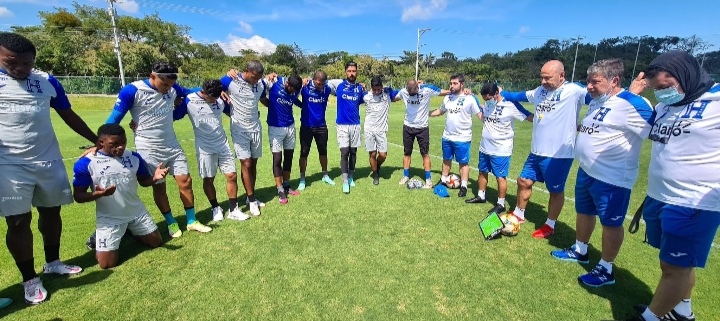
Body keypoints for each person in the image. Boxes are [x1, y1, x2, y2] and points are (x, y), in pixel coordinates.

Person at [0, 32, 97, 304]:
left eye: (27, 64)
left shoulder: (45, 80)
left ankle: (53, 262)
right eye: (12, 62)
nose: (20, 69)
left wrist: (95, 140)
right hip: (8, 165)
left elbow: (67, 114)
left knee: (52, 211)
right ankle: (30, 279)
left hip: (48, 159)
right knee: (18, 221)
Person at [624, 51, 720, 321]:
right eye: (656, 90)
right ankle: (682, 310)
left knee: (673, 267)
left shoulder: (716, 99)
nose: (661, 94)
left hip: (694, 202)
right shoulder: (665, 106)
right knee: (675, 263)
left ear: (684, 75)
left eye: (664, 87)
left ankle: (652, 318)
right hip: (660, 196)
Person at [548, 59, 653, 288]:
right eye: (588, 81)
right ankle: (580, 249)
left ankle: (606, 268)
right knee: (583, 211)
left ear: (614, 81)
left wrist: (633, 94)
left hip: (612, 179)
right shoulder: (599, 100)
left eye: (595, 82)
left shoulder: (634, 104)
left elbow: (659, 133)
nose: (589, 87)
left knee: (610, 224)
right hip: (587, 171)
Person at [106, 62, 213, 237]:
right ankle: (171, 222)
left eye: (171, 85)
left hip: (172, 144)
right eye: (164, 84)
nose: (168, 89)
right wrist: (100, 144)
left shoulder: (172, 88)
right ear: (152, 76)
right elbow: (114, 119)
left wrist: (221, 87)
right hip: (149, 147)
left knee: (185, 181)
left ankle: (192, 221)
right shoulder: (132, 91)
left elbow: (190, 91)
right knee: (159, 186)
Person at [501, 60, 589, 238]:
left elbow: (600, 97)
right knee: (523, 181)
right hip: (536, 152)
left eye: (547, 78)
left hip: (559, 154)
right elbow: (518, 96)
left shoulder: (574, 91)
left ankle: (550, 224)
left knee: (555, 190)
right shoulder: (539, 91)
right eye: (541, 77)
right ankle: (519, 214)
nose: (543, 82)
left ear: (562, 75)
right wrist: (502, 92)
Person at [72, 124, 167, 269]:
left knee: (156, 242)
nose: (121, 147)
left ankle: (129, 229)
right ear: (101, 142)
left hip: (136, 212)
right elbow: (78, 196)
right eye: (114, 144)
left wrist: (154, 178)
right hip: (110, 218)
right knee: (107, 264)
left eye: (123, 142)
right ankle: (98, 237)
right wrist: (97, 194)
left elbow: (143, 181)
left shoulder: (133, 157)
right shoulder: (86, 163)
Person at [173, 79, 250, 221]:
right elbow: (174, 115)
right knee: (209, 179)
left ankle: (234, 209)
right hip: (204, 147)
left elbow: (231, 110)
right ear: (203, 92)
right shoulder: (189, 100)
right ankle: (216, 208)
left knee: (232, 176)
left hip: (223, 144)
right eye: (212, 98)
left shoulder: (219, 99)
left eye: (217, 98)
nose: (215, 101)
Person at [465, 83, 533, 216]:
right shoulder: (489, 103)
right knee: (482, 171)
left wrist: (548, 119)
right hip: (485, 147)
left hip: (501, 149)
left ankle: (500, 204)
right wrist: (472, 95)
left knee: (500, 177)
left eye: (489, 98)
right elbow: (482, 108)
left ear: (496, 94)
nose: (487, 101)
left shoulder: (511, 105)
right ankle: (481, 196)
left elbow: (529, 117)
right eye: (485, 99)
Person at [221, 60, 270, 216]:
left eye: (259, 78)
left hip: (255, 127)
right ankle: (251, 199)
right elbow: (210, 89)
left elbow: (264, 100)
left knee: (253, 163)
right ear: (247, 70)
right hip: (239, 129)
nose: (256, 80)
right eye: (254, 77)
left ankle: (251, 198)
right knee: (246, 163)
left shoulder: (260, 84)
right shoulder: (230, 80)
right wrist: (225, 104)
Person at [429, 73, 482, 197]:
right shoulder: (447, 98)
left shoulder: (469, 99)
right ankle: (443, 180)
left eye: (455, 83)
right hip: (447, 136)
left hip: (462, 138)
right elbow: (440, 111)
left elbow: (479, 114)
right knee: (446, 159)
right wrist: (426, 113)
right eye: (451, 83)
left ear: (462, 84)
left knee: (463, 162)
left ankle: (463, 186)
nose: (452, 86)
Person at [392, 80, 449, 188]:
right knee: (407, 153)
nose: (412, 95)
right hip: (408, 127)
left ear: (418, 87)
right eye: (410, 94)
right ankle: (406, 176)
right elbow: (393, 98)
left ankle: (428, 179)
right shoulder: (403, 91)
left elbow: (444, 92)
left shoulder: (427, 89)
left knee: (425, 154)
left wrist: (462, 91)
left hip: (422, 128)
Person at [328, 62, 367, 194]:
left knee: (353, 152)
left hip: (355, 124)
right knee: (344, 152)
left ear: (357, 72)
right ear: (345, 72)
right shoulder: (339, 85)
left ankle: (350, 177)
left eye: (354, 71)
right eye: (349, 71)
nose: (351, 73)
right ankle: (345, 181)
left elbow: (367, 98)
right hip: (342, 124)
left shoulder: (360, 89)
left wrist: (364, 88)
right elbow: (323, 81)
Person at [265, 74, 303, 203]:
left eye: (295, 91)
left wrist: (304, 106)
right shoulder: (273, 82)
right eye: (292, 90)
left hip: (290, 126)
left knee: (289, 157)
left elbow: (294, 100)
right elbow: (259, 90)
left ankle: (286, 185)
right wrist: (268, 104)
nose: (293, 92)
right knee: (277, 159)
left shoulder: (296, 88)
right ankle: (280, 189)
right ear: (287, 83)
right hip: (275, 127)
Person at [296, 70, 335, 190]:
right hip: (307, 126)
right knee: (304, 153)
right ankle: (302, 178)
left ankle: (325, 175)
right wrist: (302, 105)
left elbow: (338, 82)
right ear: (314, 80)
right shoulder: (305, 87)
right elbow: (292, 95)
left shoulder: (327, 89)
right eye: (318, 83)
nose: (320, 86)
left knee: (323, 151)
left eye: (322, 84)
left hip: (321, 126)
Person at [363, 76, 398, 185]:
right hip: (369, 129)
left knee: (383, 155)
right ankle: (375, 174)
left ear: (382, 87)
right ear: (371, 88)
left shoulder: (387, 95)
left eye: (379, 89)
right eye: (374, 89)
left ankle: (377, 166)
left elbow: (401, 93)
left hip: (381, 130)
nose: (377, 91)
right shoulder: (366, 96)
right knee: (372, 154)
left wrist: (390, 89)